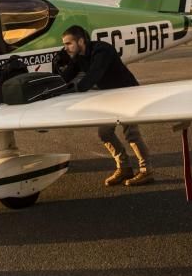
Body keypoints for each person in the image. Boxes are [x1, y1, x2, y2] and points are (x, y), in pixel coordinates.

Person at [53, 25, 154, 187]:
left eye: (68, 44)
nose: (66, 48)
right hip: (109, 97)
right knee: (105, 133)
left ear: (80, 40)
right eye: (64, 44)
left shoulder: (102, 50)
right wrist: (55, 73)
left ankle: (146, 171)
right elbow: (66, 77)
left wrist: (73, 89)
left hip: (128, 92)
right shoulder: (79, 56)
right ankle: (124, 167)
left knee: (131, 134)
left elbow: (94, 76)